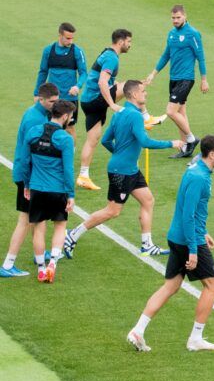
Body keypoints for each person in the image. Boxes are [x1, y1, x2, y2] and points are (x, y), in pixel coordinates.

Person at [127, 135, 214, 353]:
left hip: (180, 236)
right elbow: (188, 216)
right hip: (188, 240)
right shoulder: (199, 178)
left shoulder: (195, 170)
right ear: (211, 154)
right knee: (213, 284)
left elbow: (190, 210)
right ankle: (195, 338)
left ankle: (138, 330)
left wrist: (205, 230)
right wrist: (193, 249)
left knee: (171, 286)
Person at [63, 81, 183, 259]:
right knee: (112, 211)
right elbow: (145, 142)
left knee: (148, 200)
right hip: (122, 172)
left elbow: (105, 140)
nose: (146, 94)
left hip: (129, 169)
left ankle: (147, 245)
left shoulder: (119, 113)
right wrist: (172, 143)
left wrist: (119, 154)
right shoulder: (135, 116)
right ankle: (72, 235)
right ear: (134, 95)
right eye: (143, 91)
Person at [1, 84, 60, 278]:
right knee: (25, 220)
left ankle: (39, 254)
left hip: (30, 174)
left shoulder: (39, 114)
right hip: (28, 175)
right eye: (52, 101)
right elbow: (28, 153)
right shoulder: (35, 119)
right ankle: (8, 264)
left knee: (37, 217)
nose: (55, 104)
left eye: (56, 100)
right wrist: (27, 182)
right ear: (41, 99)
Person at [16, 100, 76, 283]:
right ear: (64, 116)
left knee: (39, 229)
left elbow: (25, 162)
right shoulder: (65, 139)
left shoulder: (33, 132)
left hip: (37, 188)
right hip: (58, 190)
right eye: (71, 117)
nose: (71, 119)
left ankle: (41, 269)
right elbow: (68, 170)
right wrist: (71, 194)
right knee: (60, 227)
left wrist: (26, 184)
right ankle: (53, 264)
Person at [144, 4, 208, 159]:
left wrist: (204, 80)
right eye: (173, 18)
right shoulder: (171, 34)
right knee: (180, 112)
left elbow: (201, 56)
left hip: (186, 79)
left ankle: (191, 139)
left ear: (185, 16)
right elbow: (166, 55)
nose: (175, 20)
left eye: (178, 17)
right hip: (174, 79)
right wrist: (153, 74)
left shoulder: (193, 34)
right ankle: (185, 147)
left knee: (170, 111)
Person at [76, 29, 132, 191]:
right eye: (129, 41)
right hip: (96, 99)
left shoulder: (106, 53)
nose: (130, 45)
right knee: (132, 85)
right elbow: (102, 82)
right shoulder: (111, 58)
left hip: (87, 101)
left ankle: (83, 176)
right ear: (121, 41)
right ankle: (146, 117)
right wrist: (112, 104)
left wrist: (114, 88)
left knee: (92, 139)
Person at [33, 22, 87, 140]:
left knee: (69, 128)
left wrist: (77, 86)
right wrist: (37, 93)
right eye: (68, 38)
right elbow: (43, 72)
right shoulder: (48, 50)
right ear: (60, 35)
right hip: (52, 99)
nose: (70, 41)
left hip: (69, 99)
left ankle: (70, 153)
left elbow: (83, 73)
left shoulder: (77, 51)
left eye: (72, 38)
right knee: (49, 126)